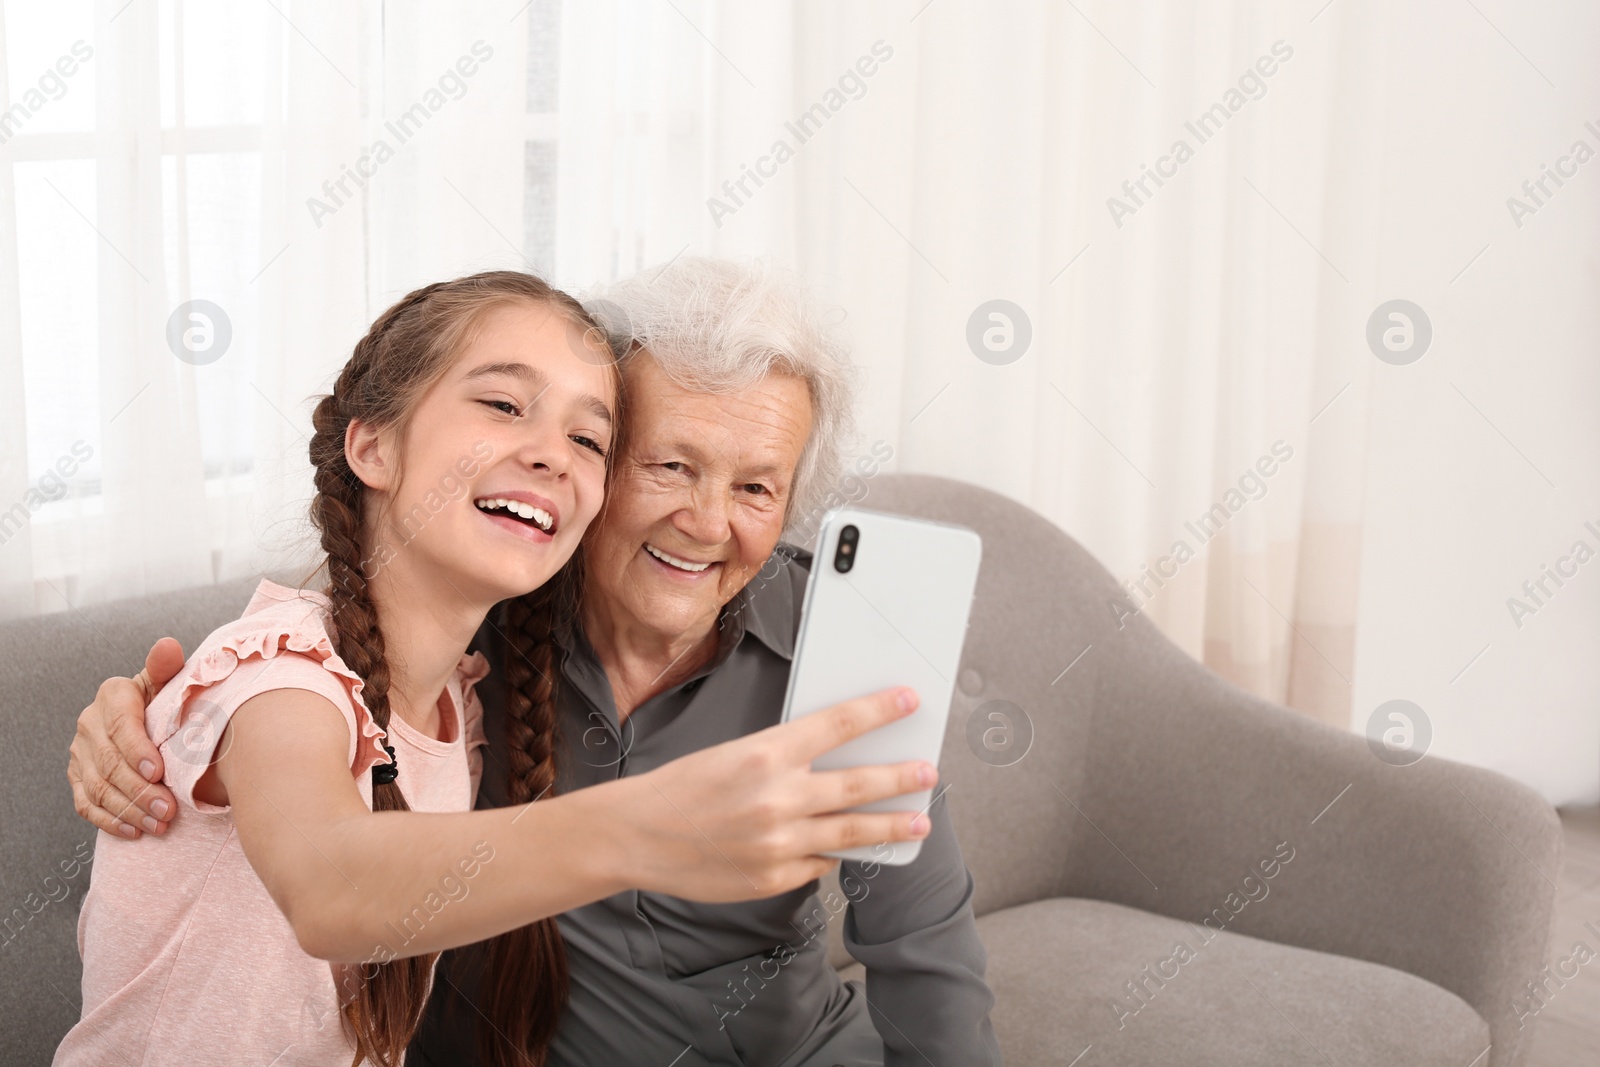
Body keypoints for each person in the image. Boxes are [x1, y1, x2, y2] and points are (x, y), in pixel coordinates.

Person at [71, 258, 1001, 1067]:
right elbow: (311, 802)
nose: (709, 522)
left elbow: (926, 953)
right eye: (667, 466)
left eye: (756, 487)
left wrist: (163, 709)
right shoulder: (473, 626)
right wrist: (145, 712)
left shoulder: (844, 640)